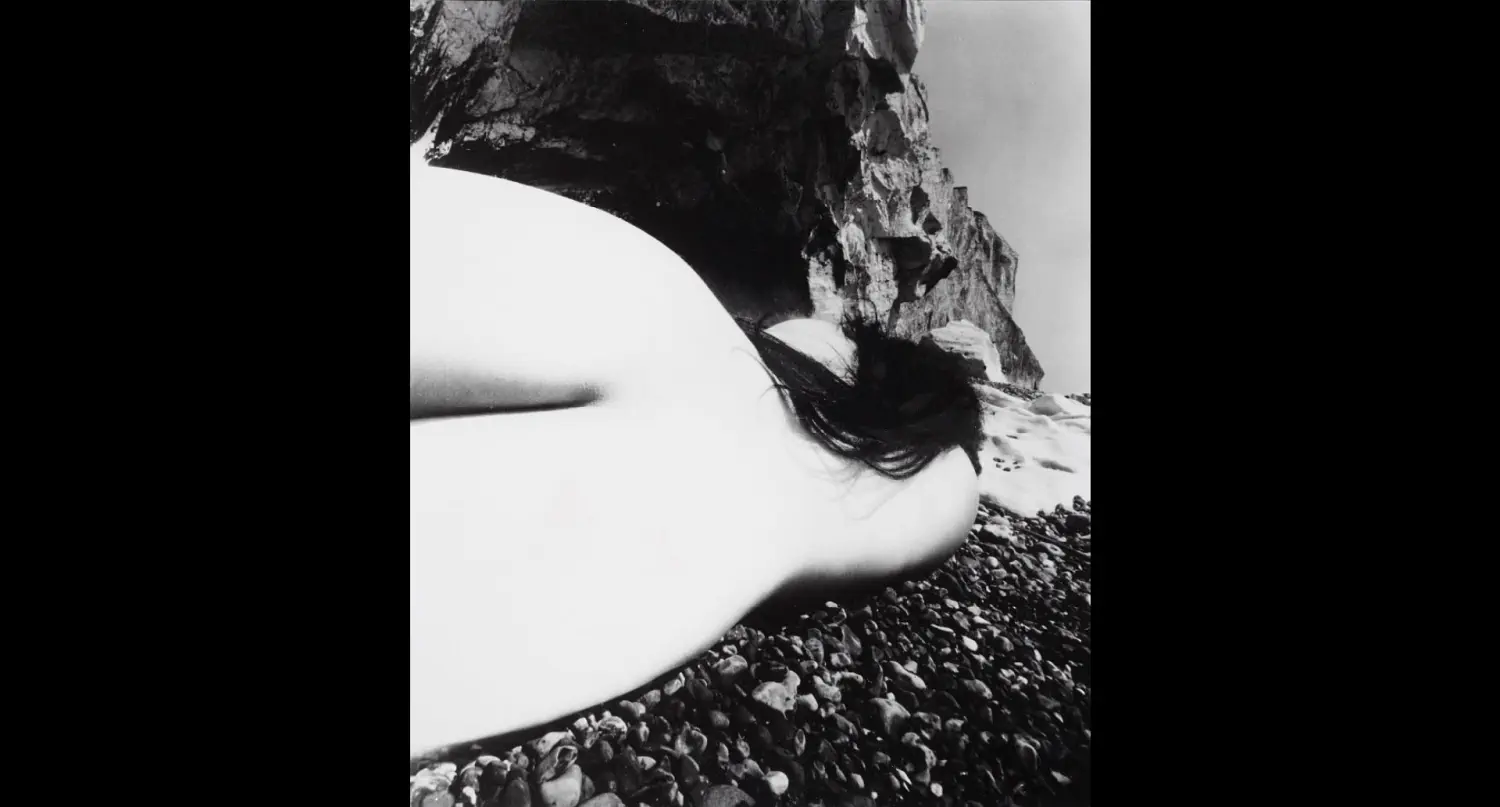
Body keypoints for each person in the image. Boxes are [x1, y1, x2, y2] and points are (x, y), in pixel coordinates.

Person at [410, 159, 986, 758]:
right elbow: (949, 493)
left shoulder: (671, 307)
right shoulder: (871, 490)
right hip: (699, 527)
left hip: (653, 335)